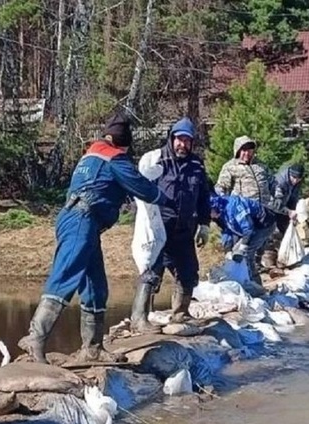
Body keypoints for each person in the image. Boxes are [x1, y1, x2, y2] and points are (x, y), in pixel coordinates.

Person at [18, 112, 170, 365]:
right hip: (82, 219)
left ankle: (93, 347)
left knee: (95, 285)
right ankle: (35, 338)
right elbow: (140, 186)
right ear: (123, 143)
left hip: (80, 219)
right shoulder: (113, 158)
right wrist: (165, 199)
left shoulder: (90, 155)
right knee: (65, 277)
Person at [130, 117, 211, 333]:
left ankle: (181, 314)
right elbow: (139, 190)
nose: (182, 145)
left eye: (187, 140)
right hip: (158, 229)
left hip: (184, 230)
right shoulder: (156, 160)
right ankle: (139, 318)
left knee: (188, 273)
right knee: (150, 272)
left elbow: (204, 196)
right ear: (171, 138)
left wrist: (204, 224)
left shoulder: (196, 165)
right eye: (179, 139)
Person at [208, 194, 275, 286]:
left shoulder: (234, 206)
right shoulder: (220, 213)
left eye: (209, 213)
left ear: (214, 207)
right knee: (235, 254)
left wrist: (243, 246)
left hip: (263, 225)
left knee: (246, 255)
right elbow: (226, 231)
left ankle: (255, 286)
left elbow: (248, 227)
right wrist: (228, 250)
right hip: (246, 229)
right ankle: (243, 281)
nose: (211, 217)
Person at [214, 136, 277, 206]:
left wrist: (278, 197)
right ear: (238, 151)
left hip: (266, 209)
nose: (247, 153)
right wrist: (228, 204)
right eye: (244, 150)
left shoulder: (261, 165)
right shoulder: (230, 167)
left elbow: (274, 183)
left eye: (249, 150)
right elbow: (220, 187)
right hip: (244, 210)